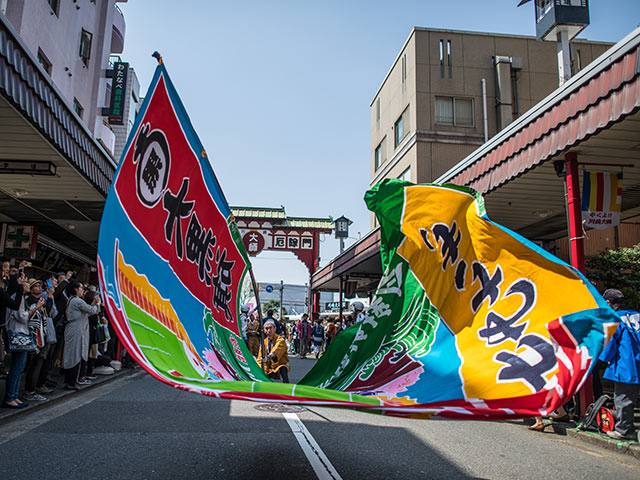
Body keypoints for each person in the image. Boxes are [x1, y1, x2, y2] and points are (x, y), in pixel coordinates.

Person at [598, 288, 640, 441]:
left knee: (623, 398)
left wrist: (604, 359)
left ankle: (624, 430)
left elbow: (609, 345)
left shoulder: (613, 319)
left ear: (608, 302)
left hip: (626, 363)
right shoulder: (637, 315)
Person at [62, 281, 100, 390]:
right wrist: (97, 304)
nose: (82, 290)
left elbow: (88, 310)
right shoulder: (76, 301)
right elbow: (91, 310)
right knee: (75, 354)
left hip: (77, 329)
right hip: (76, 330)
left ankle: (70, 380)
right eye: (81, 288)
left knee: (74, 354)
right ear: (75, 289)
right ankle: (71, 381)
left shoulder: (74, 301)